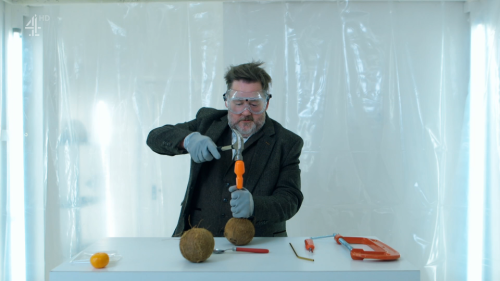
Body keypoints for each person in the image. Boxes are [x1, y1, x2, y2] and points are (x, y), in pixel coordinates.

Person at [146, 61, 303, 237]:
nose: (246, 112)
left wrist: (255, 205)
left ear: (266, 103)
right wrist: (187, 140)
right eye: (238, 103)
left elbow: (291, 200)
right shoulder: (207, 123)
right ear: (227, 101)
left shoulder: (287, 143)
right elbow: (154, 137)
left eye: (254, 103)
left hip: (258, 246)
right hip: (198, 242)